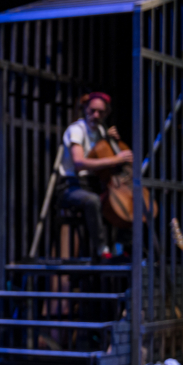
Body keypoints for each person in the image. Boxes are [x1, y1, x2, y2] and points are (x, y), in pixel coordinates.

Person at [56, 92, 129, 259]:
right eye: (92, 110)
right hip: (71, 186)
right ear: (85, 109)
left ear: (106, 113)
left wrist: (114, 143)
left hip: (92, 184)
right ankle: (102, 249)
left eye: (100, 112)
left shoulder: (102, 131)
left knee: (125, 200)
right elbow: (79, 162)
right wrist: (114, 159)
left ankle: (121, 247)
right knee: (92, 201)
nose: (96, 115)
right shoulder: (77, 130)